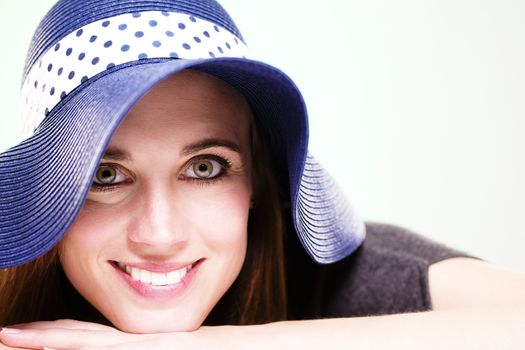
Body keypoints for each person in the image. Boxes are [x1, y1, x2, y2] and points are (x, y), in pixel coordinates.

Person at [0, 0, 524, 349]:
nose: (159, 235)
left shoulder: (344, 282)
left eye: (204, 168)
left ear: (257, 183)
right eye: (105, 175)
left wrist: (199, 345)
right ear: (46, 191)